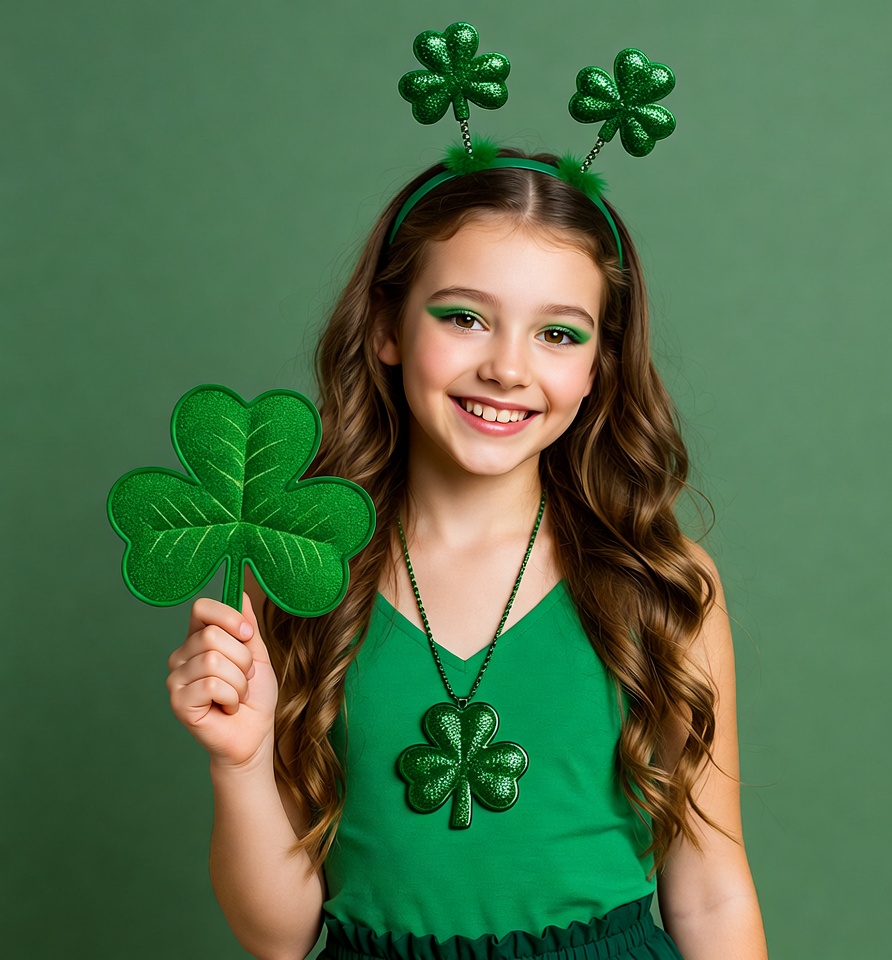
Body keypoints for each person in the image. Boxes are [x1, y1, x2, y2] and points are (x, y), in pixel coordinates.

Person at [166, 148, 767, 960]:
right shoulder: (301, 576)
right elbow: (279, 936)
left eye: (558, 333)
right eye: (464, 317)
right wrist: (238, 764)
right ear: (386, 326)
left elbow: (711, 885)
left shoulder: (657, 581)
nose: (507, 367)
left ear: (599, 366)